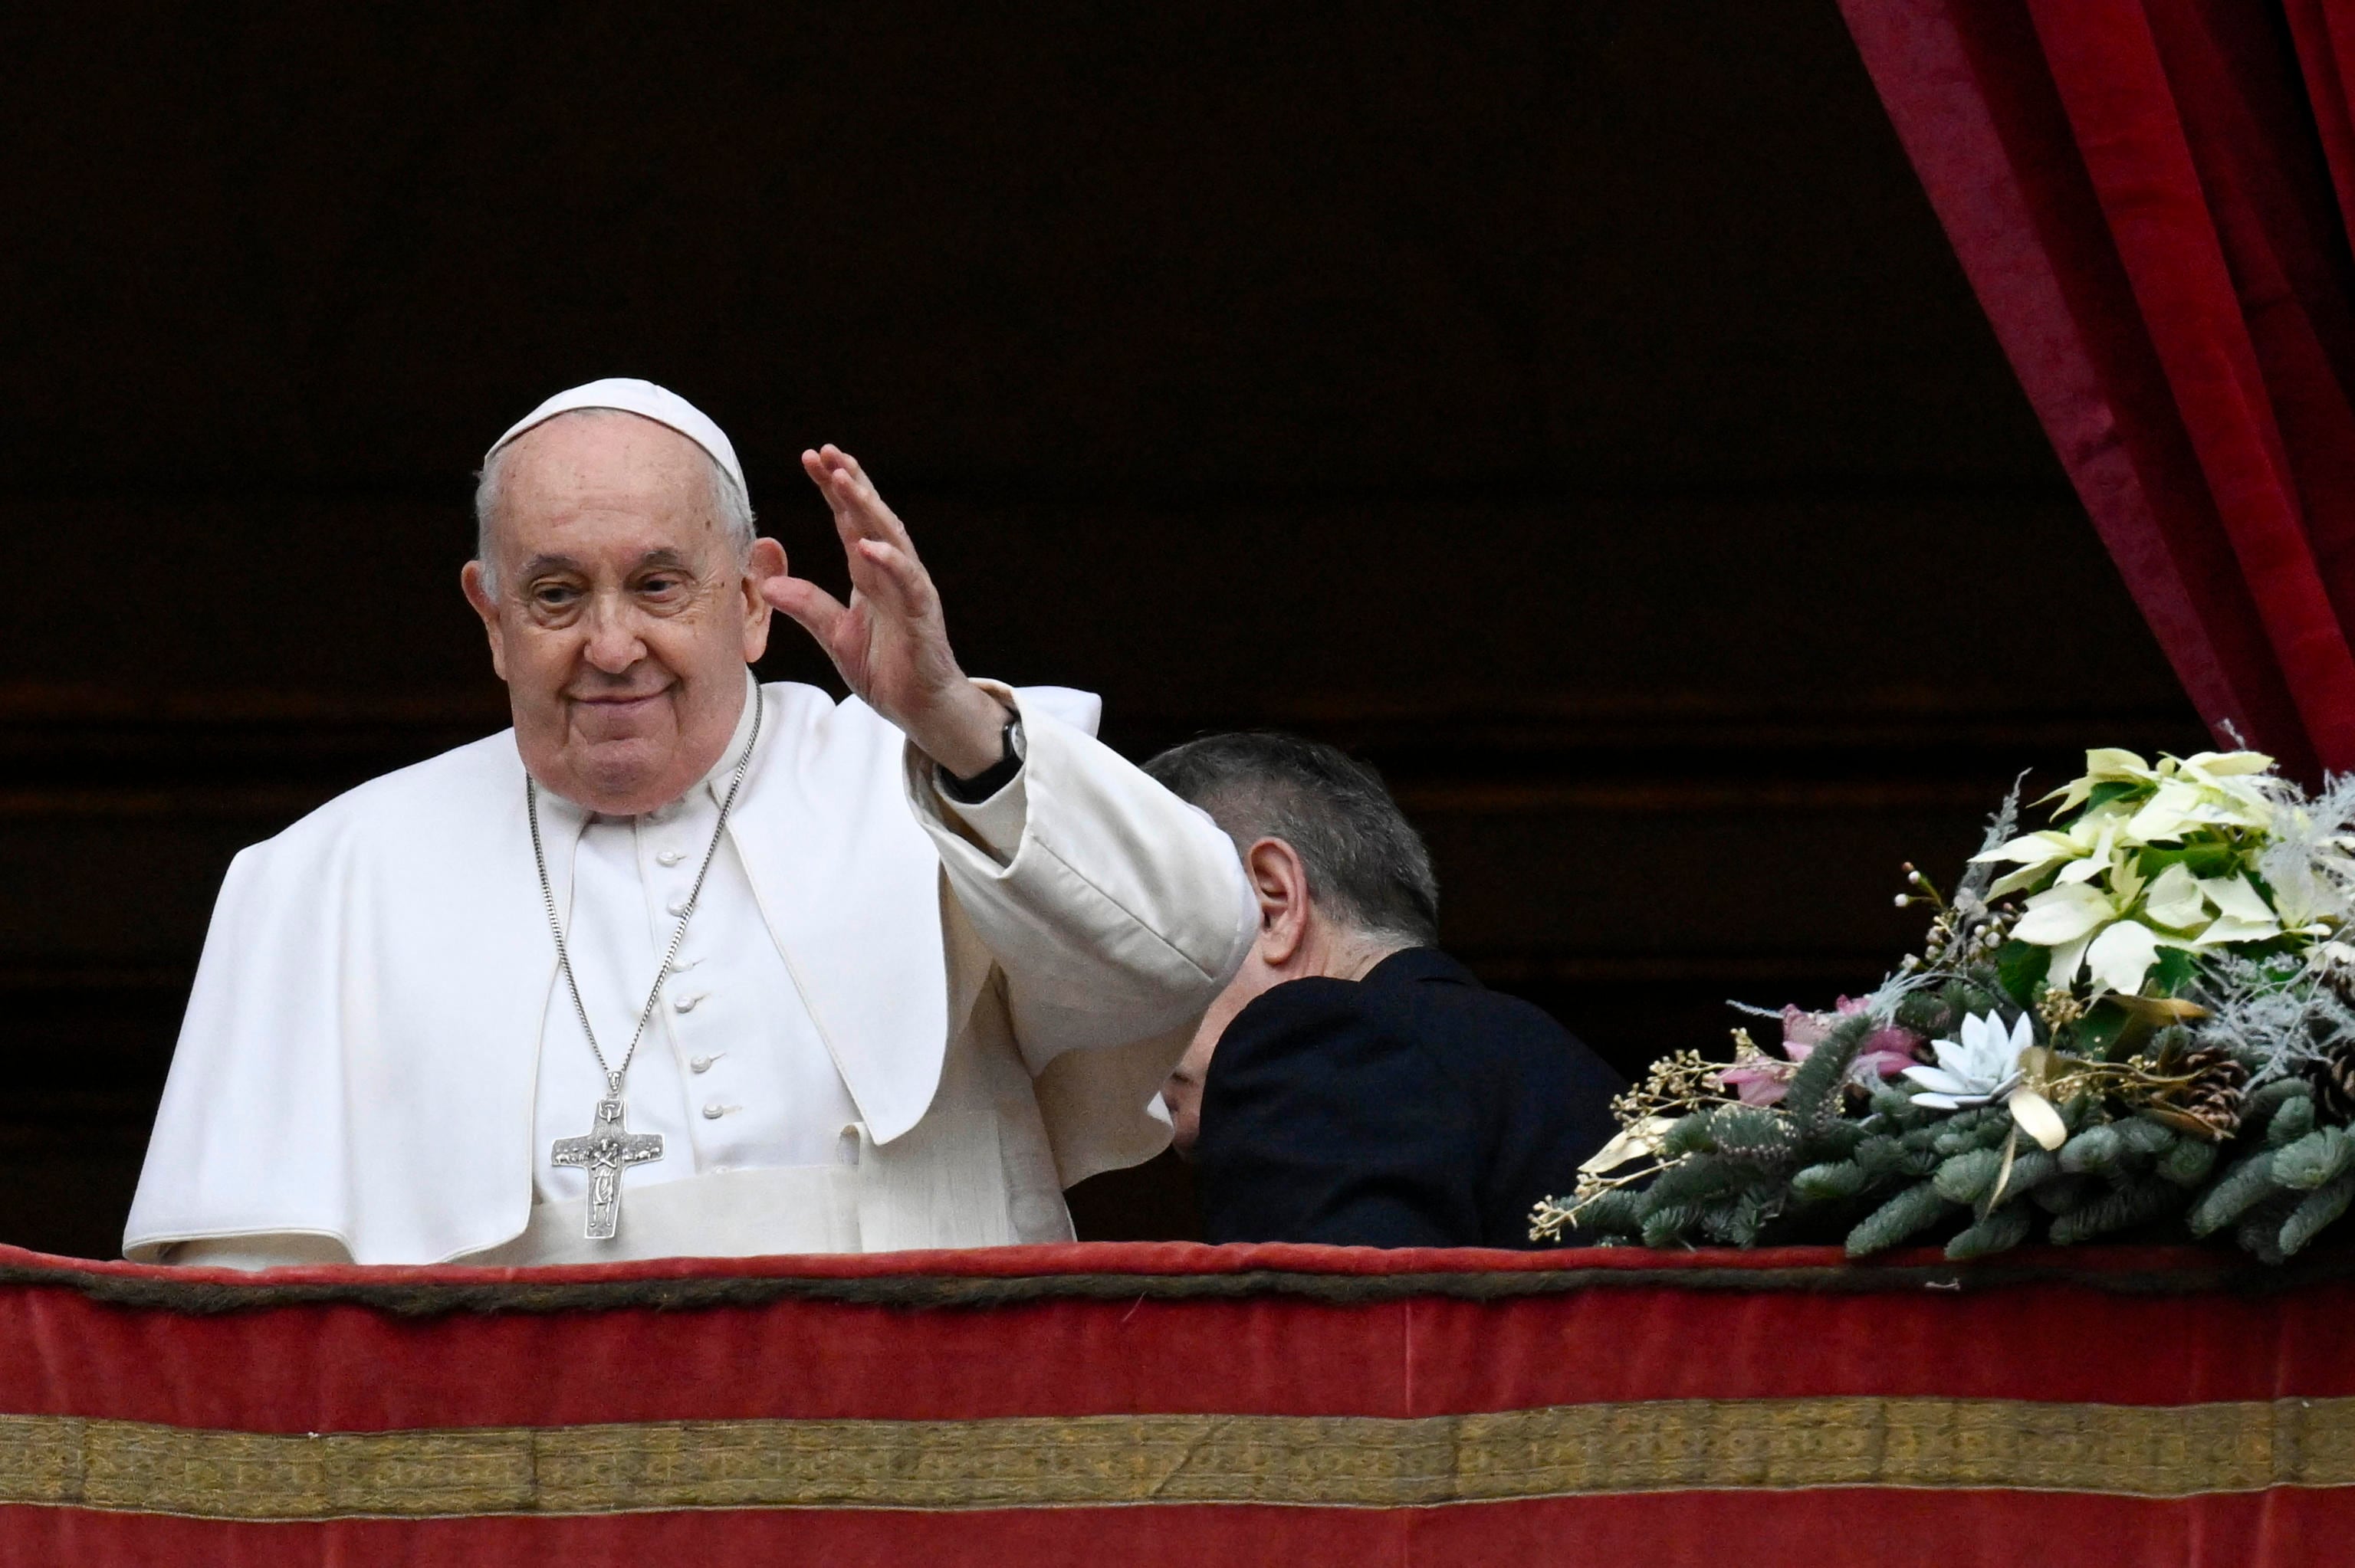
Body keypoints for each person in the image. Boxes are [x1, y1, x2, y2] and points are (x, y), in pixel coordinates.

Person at [125, 379, 1253, 1266]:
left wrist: (955, 720)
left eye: (660, 585)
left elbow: (1193, 943)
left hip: (922, 1454)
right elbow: (249, 1311)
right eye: (557, 595)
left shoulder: (937, 775)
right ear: (491, 616)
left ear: (756, 594)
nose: (612, 646)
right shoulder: (333, 876)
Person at [1147, 733, 1621, 1248]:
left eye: (1141, 954)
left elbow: (1332, 1331)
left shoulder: (1320, 1055)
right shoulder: (1569, 1072)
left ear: (1271, 905)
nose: (1120, 1038)